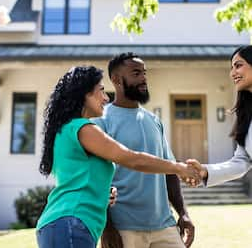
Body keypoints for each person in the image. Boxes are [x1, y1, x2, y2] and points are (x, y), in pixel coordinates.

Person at [36, 66, 198, 248]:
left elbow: (78, 179)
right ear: (84, 94)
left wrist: (104, 191)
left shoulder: (65, 131)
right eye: (102, 91)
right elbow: (132, 159)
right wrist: (179, 168)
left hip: (60, 223)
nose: (106, 98)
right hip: (71, 221)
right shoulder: (83, 128)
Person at [93, 53, 196, 248]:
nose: (143, 78)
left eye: (144, 73)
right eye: (136, 73)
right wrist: (107, 228)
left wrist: (183, 213)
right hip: (123, 227)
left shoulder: (154, 120)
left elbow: (170, 171)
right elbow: (97, 176)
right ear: (116, 80)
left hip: (164, 225)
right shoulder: (101, 120)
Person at [187, 45, 252, 186]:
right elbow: (242, 161)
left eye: (238, 66)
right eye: (232, 68)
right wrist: (205, 171)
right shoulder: (246, 115)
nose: (232, 73)